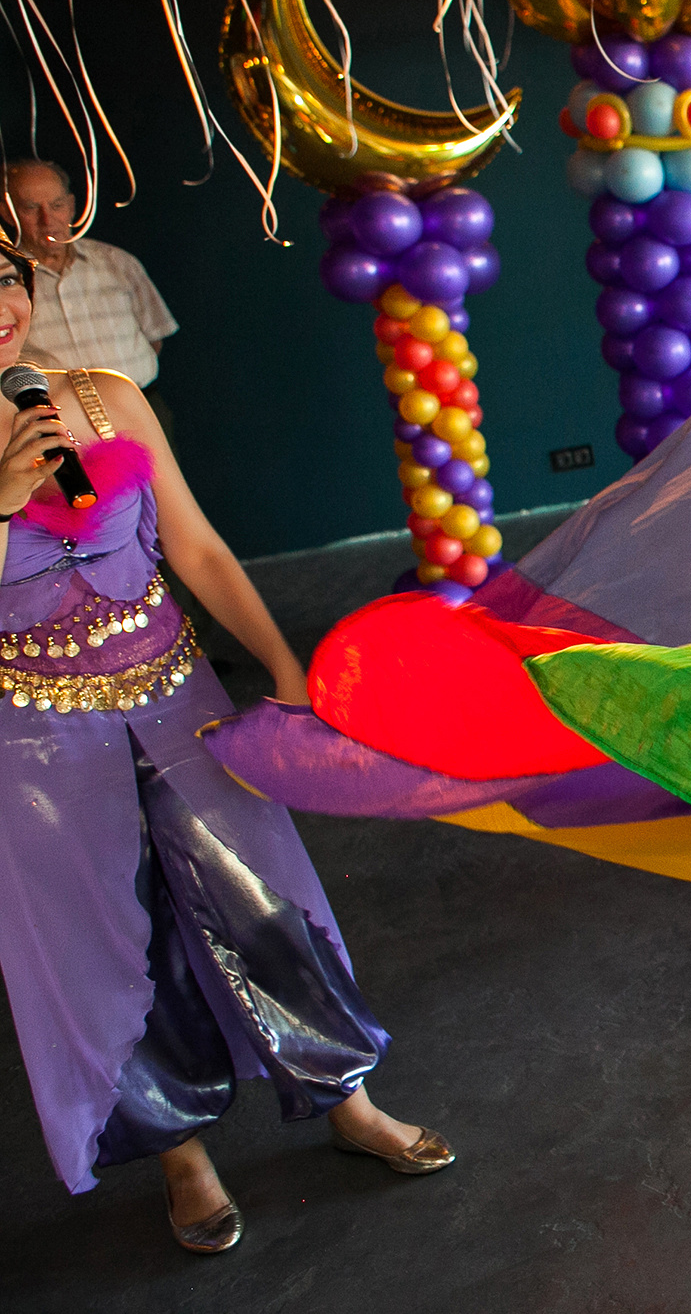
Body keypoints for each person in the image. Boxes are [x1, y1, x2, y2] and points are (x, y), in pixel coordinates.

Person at [0, 235, 452, 1253]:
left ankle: (348, 1096)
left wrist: (283, 662)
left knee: (266, 895)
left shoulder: (102, 397)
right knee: (109, 941)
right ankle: (182, 1154)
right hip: (35, 742)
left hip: (177, 696)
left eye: (2, 279)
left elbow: (195, 545)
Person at [4, 160, 180, 398]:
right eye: (31, 208)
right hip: (59, 415)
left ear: (71, 206)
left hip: (141, 402)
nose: (47, 219)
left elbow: (154, 338)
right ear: (8, 212)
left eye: (57, 205)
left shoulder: (116, 262)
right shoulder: (7, 279)